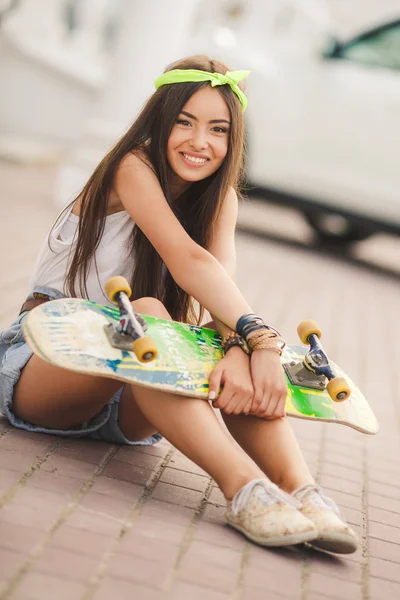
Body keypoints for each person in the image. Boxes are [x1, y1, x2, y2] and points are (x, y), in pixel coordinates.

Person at [0, 55, 357, 553]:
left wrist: (242, 346)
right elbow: (188, 260)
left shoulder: (220, 198)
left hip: (136, 399)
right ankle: (245, 490)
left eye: (218, 129)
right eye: (185, 122)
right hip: (51, 360)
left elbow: (218, 283)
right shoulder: (132, 167)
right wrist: (263, 338)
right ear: (160, 121)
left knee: (222, 344)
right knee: (149, 309)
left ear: (233, 141)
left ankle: (303, 491)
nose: (200, 141)